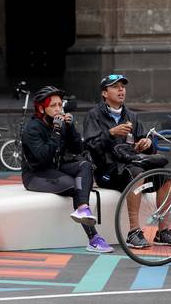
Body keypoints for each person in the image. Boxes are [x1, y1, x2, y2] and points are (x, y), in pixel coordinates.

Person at [83, 74, 171, 248]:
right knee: (136, 174)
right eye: (115, 86)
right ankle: (134, 232)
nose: (121, 90)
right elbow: (90, 147)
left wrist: (147, 143)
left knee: (167, 176)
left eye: (123, 86)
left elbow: (147, 144)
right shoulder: (93, 115)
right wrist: (111, 133)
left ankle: (163, 232)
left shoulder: (131, 116)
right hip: (106, 172)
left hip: (132, 166)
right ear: (105, 93)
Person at [21, 86, 113, 253]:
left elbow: (78, 148)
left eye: (59, 105)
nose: (58, 109)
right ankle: (93, 238)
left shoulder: (61, 124)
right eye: (53, 106)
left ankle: (83, 208)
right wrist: (56, 131)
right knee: (73, 186)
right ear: (42, 108)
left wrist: (70, 128)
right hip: (36, 174)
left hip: (57, 167)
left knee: (84, 165)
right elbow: (42, 158)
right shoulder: (32, 128)